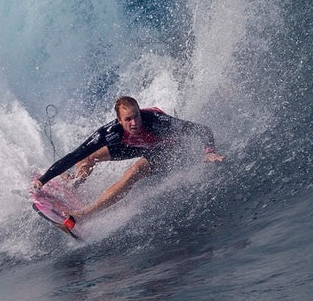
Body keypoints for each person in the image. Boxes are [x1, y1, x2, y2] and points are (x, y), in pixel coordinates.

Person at [32, 96, 224, 223]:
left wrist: (209, 151)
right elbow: (75, 155)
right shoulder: (110, 132)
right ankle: (75, 184)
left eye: (136, 117)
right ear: (118, 121)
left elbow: (201, 129)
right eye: (128, 119)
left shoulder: (156, 122)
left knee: (133, 172)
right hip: (136, 145)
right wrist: (43, 180)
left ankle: (83, 215)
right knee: (89, 156)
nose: (134, 123)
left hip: (167, 150)